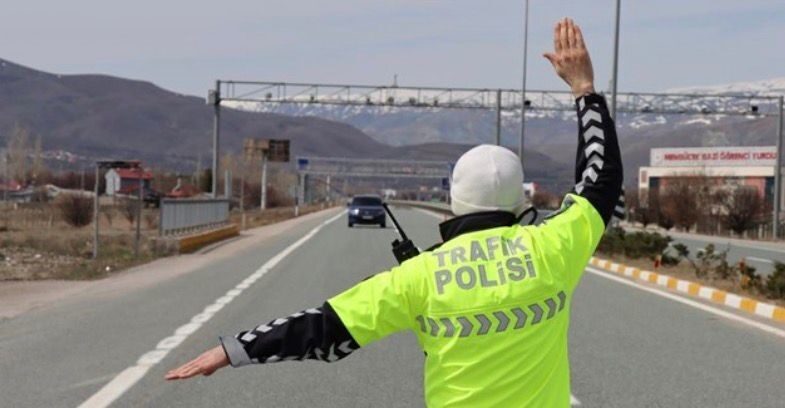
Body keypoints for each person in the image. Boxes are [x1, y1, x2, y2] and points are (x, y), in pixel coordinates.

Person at [166, 17, 623, 408]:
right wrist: (584, 90)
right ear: (520, 205)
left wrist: (236, 349)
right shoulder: (552, 248)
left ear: (454, 203)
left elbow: (324, 330)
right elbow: (599, 182)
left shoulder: (419, 277)